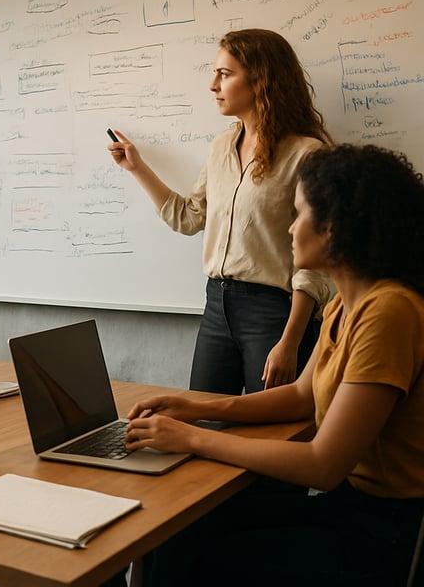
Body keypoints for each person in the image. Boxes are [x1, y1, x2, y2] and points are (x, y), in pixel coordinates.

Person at [123, 143, 424, 586]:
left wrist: (193, 439)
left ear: (333, 228)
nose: (290, 227)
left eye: (298, 214)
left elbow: (323, 464)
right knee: (174, 527)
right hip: (351, 506)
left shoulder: (389, 311)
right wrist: (197, 409)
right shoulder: (343, 304)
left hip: (385, 532)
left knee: (192, 553)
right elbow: (302, 397)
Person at [108, 28, 332, 394]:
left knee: (271, 424)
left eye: (224, 74)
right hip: (216, 305)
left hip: (274, 313)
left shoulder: (306, 154)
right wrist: (137, 168)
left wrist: (290, 341)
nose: (213, 85)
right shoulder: (222, 146)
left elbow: (316, 262)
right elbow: (188, 217)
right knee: (203, 416)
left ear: (261, 80)